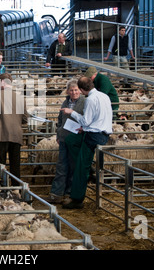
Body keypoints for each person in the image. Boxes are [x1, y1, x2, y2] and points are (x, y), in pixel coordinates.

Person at [61, 77, 113, 209]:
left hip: (94, 136)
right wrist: (84, 129)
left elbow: (86, 121)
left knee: (80, 166)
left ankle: (77, 199)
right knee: (70, 140)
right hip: (101, 132)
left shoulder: (90, 99)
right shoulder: (104, 96)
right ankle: (89, 168)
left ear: (83, 89)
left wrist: (72, 112)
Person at [42, 79, 86, 204]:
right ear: (67, 91)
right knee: (61, 165)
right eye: (71, 90)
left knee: (73, 166)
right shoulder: (65, 102)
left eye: (76, 90)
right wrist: (58, 133)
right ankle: (56, 194)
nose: (74, 92)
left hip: (76, 139)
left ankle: (69, 194)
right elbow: (60, 119)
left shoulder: (84, 102)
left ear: (80, 91)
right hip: (63, 138)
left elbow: (87, 119)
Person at [0, 73, 28, 186]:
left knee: (0, 165)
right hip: (16, 135)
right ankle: (16, 189)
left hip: (0, 135)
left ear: (3, 82)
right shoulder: (20, 98)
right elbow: (25, 117)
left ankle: (2, 188)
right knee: (15, 165)